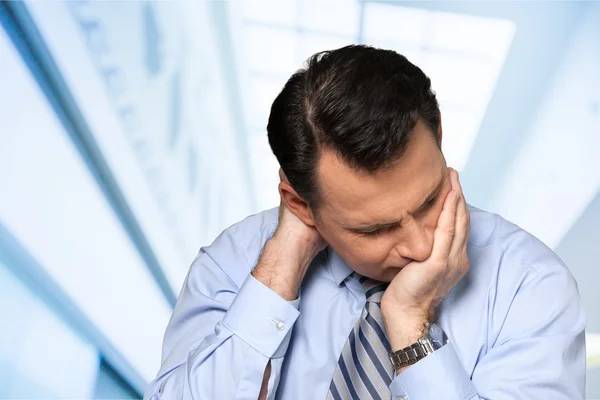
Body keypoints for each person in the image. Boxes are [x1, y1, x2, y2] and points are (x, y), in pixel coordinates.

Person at [144, 45, 586, 400]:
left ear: (440, 140)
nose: (419, 245)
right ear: (299, 204)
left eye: (432, 198)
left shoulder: (531, 283)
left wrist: (412, 325)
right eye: (375, 229)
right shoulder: (235, 262)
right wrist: (282, 268)